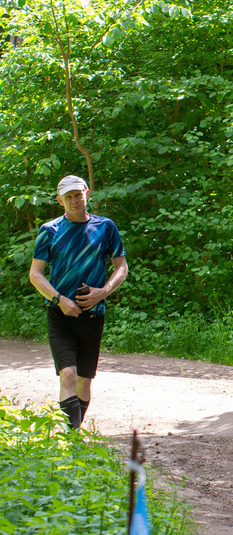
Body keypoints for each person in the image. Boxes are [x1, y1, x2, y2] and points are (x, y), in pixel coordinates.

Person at [29, 175, 128, 429]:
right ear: (59, 200)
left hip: (93, 315)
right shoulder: (49, 231)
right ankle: (70, 440)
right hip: (59, 314)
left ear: (87, 193)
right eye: (68, 196)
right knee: (68, 375)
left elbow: (121, 267)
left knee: (84, 380)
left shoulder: (106, 227)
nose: (74, 200)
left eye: (78, 194)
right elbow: (35, 274)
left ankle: (74, 435)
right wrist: (59, 299)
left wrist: (102, 292)